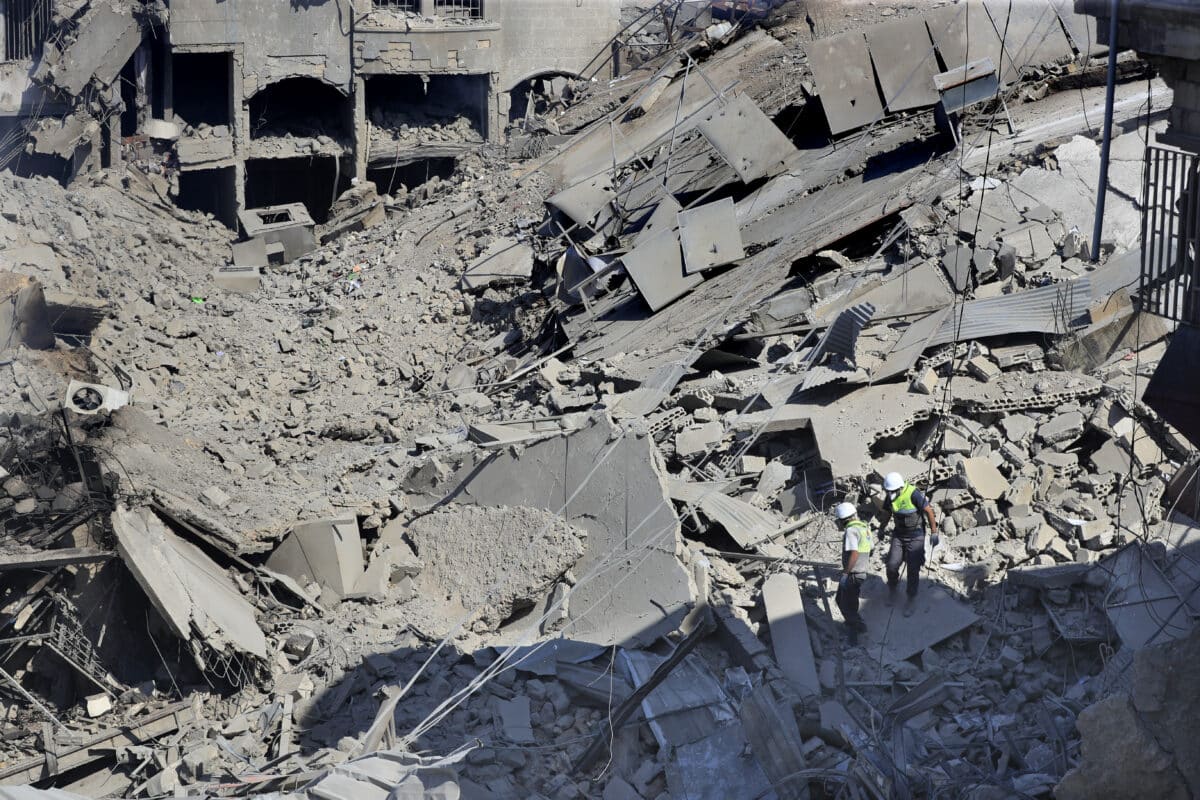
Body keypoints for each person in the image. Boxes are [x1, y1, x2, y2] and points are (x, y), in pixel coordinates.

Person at [878, 471, 938, 616]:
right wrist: (881, 528)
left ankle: (911, 598)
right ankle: (893, 589)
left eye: (892, 491)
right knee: (892, 564)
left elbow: (929, 511)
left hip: (916, 534)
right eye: (888, 491)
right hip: (899, 534)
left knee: (913, 568)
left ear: (899, 488)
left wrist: (934, 532)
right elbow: (887, 513)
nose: (890, 493)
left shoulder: (913, 494)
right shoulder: (890, 496)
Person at [834, 501, 872, 645]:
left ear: (843, 520)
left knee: (847, 605)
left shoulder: (850, 531)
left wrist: (845, 573)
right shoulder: (864, 528)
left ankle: (855, 633)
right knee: (842, 599)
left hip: (853, 574)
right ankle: (857, 624)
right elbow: (870, 548)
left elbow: (854, 553)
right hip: (861, 573)